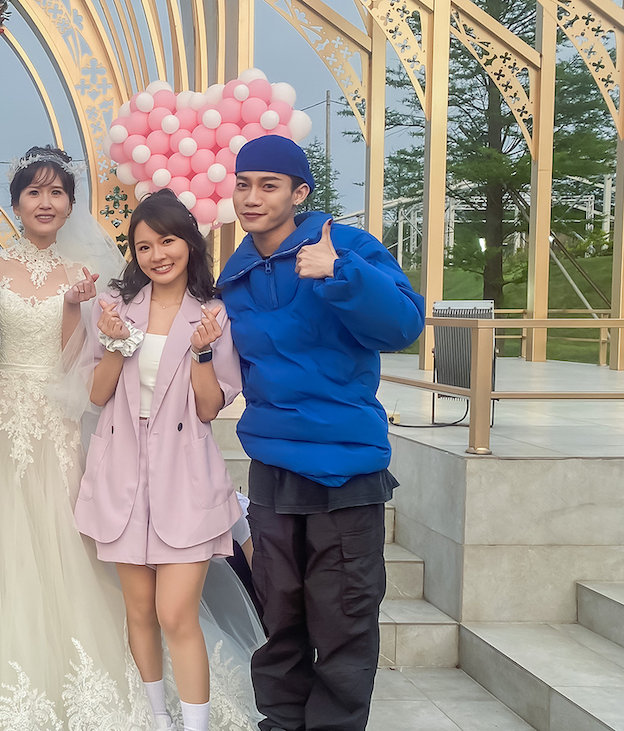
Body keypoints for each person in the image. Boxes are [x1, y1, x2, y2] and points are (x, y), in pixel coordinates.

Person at [218, 135, 425, 731]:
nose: (252, 197)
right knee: (278, 613)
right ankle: (281, 721)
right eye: (243, 184)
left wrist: (340, 272)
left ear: (299, 193)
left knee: (344, 617)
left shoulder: (345, 247)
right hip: (273, 469)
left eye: (269, 185)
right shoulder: (235, 277)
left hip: (344, 468)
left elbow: (404, 325)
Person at [78, 189, 247, 731]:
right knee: (139, 612)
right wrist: (114, 345)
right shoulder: (115, 307)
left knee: (176, 614)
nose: (157, 255)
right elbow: (97, 395)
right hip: (123, 473)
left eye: (167, 241)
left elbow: (209, 407)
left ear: (189, 243)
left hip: (184, 476)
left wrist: (202, 352)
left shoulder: (213, 314)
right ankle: (158, 719)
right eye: (144, 246)